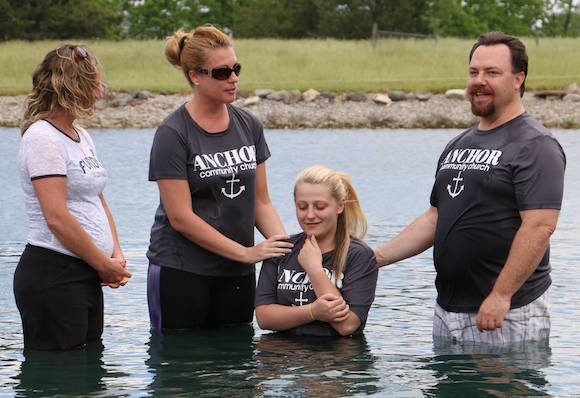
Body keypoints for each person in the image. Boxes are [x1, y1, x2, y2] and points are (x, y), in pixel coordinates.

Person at [374, 32, 566, 344]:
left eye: (492, 73)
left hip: (506, 313)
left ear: (518, 79)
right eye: (474, 72)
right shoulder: (458, 145)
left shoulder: (536, 145)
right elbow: (434, 219)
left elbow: (540, 226)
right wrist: (377, 257)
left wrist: (501, 295)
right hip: (447, 310)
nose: (479, 81)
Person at [147, 25, 292, 331]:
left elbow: (261, 203)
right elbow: (181, 218)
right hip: (181, 270)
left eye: (236, 68)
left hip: (237, 273)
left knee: (237, 370)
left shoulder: (249, 125)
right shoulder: (173, 133)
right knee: (180, 369)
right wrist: (248, 253)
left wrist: (285, 250)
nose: (234, 78)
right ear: (195, 76)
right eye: (222, 72)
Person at [15, 44, 131, 351]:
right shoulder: (42, 137)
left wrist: (113, 256)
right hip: (54, 274)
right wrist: (102, 264)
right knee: (62, 379)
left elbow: (97, 199)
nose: (99, 95)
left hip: (86, 273)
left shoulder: (81, 135)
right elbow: (56, 217)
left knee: (89, 373)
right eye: (93, 86)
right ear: (71, 87)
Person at [255, 165, 378, 337]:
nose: (310, 215)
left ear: (340, 205)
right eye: (302, 207)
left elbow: (347, 325)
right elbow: (264, 317)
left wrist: (314, 270)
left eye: (320, 207)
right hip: (283, 359)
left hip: (335, 360)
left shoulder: (359, 255)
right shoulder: (282, 248)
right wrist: (312, 311)